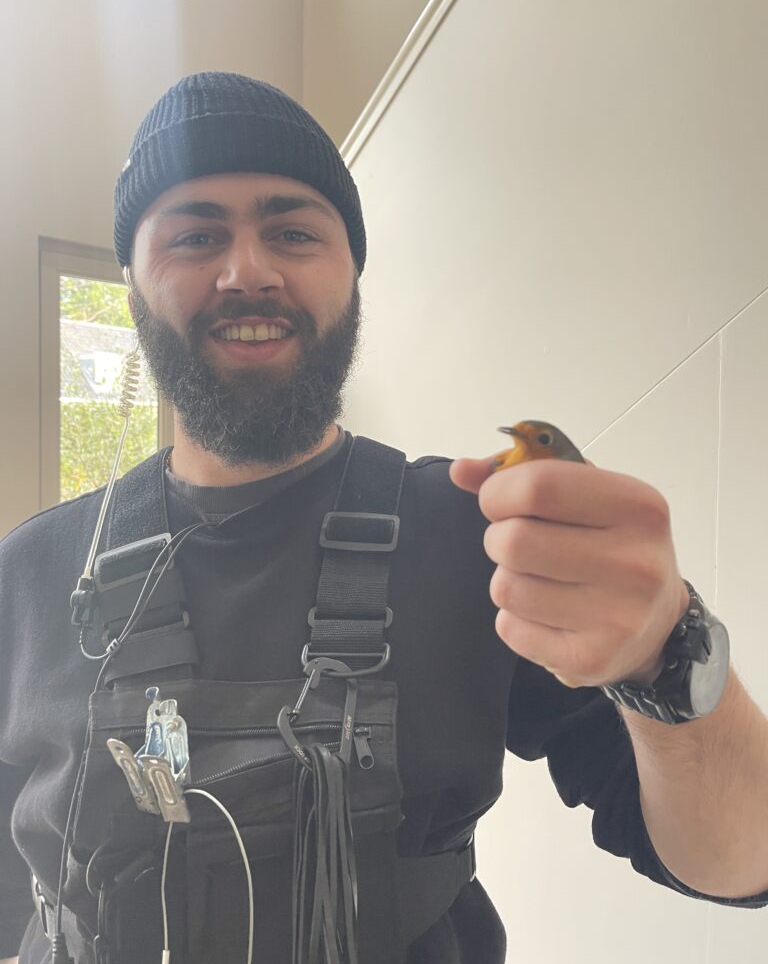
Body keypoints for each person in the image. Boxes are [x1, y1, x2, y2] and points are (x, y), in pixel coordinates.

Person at [1, 72, 767, 964]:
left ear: (352, 272)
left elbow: (740, 858)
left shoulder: (481, 543)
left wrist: (666, 651)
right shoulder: (29, 574)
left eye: (293, 231)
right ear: (131, 280)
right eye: (195, 235)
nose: (247, 271)